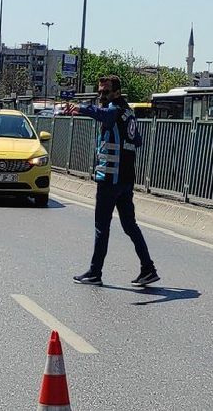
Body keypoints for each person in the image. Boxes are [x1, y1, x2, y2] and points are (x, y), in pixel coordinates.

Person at [67, 75, 160, 287]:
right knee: (130, 225)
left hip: (110, 178)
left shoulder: (115, 110)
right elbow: (138, 140)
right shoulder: (129, 113)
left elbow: (105, 116)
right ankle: (148, 268)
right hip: (126, 179)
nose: (101, 96)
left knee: (102, 226)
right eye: (99, 92)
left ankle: (95, 272)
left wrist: (81, 108)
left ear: (117, 93)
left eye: (105, 92)